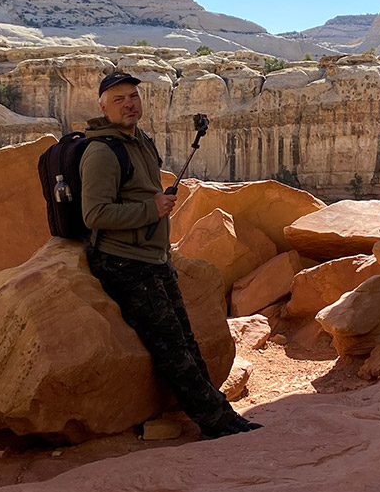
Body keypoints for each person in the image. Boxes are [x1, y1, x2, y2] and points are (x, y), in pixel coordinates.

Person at [80, 71, 261, 439]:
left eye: (133, 96)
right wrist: (152, 208)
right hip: (124, 262)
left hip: (153, 257)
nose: (129, 103)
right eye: (119, 99)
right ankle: (215, 422)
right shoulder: (101, 151)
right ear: (102, 107)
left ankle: (220, 413)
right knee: (171, 347)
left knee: (186, 339)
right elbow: (94, 215)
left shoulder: (140, 140)